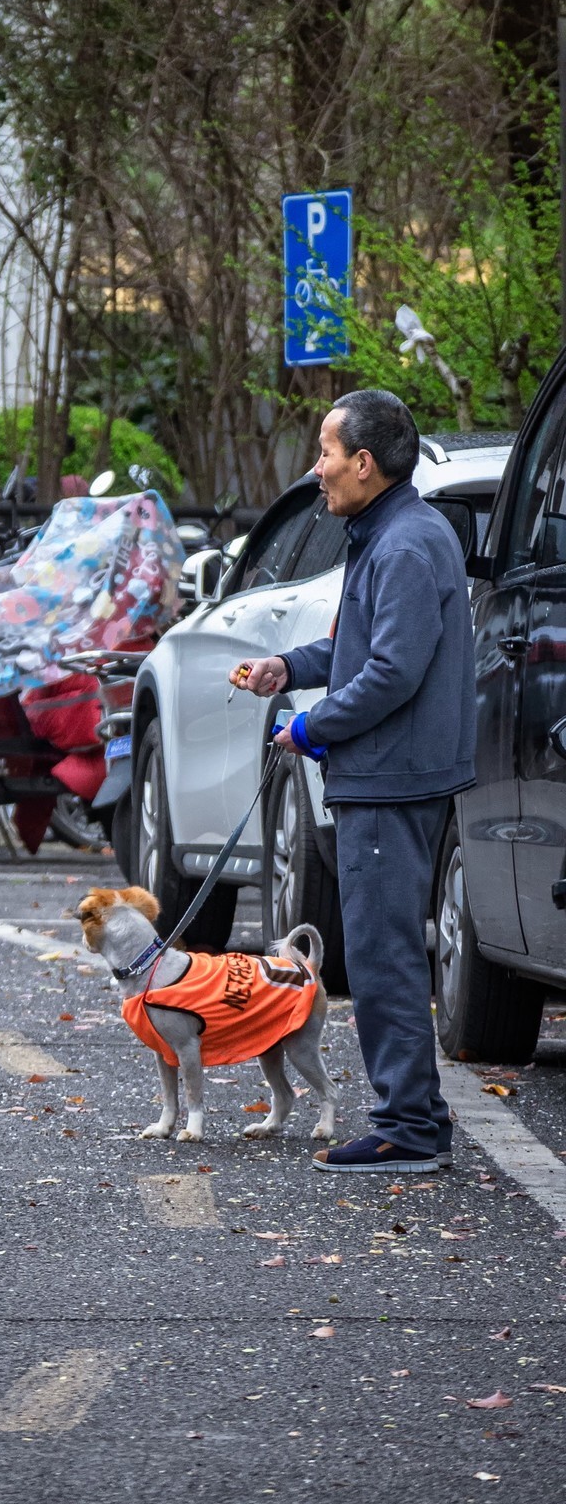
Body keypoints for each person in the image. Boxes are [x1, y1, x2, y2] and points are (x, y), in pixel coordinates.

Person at [230, 388, 475, 1174]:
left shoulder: (404, 544)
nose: (319, 467)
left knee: (382, 955)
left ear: (363, 463)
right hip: (390, 771)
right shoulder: (390, 533)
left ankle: (406, 1126)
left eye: (327, 452)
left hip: (391, 776)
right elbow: (356, 651)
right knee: (386, 949)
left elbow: (391, 673)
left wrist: (309, 726)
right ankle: (418, 1118)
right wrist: (286, 669)